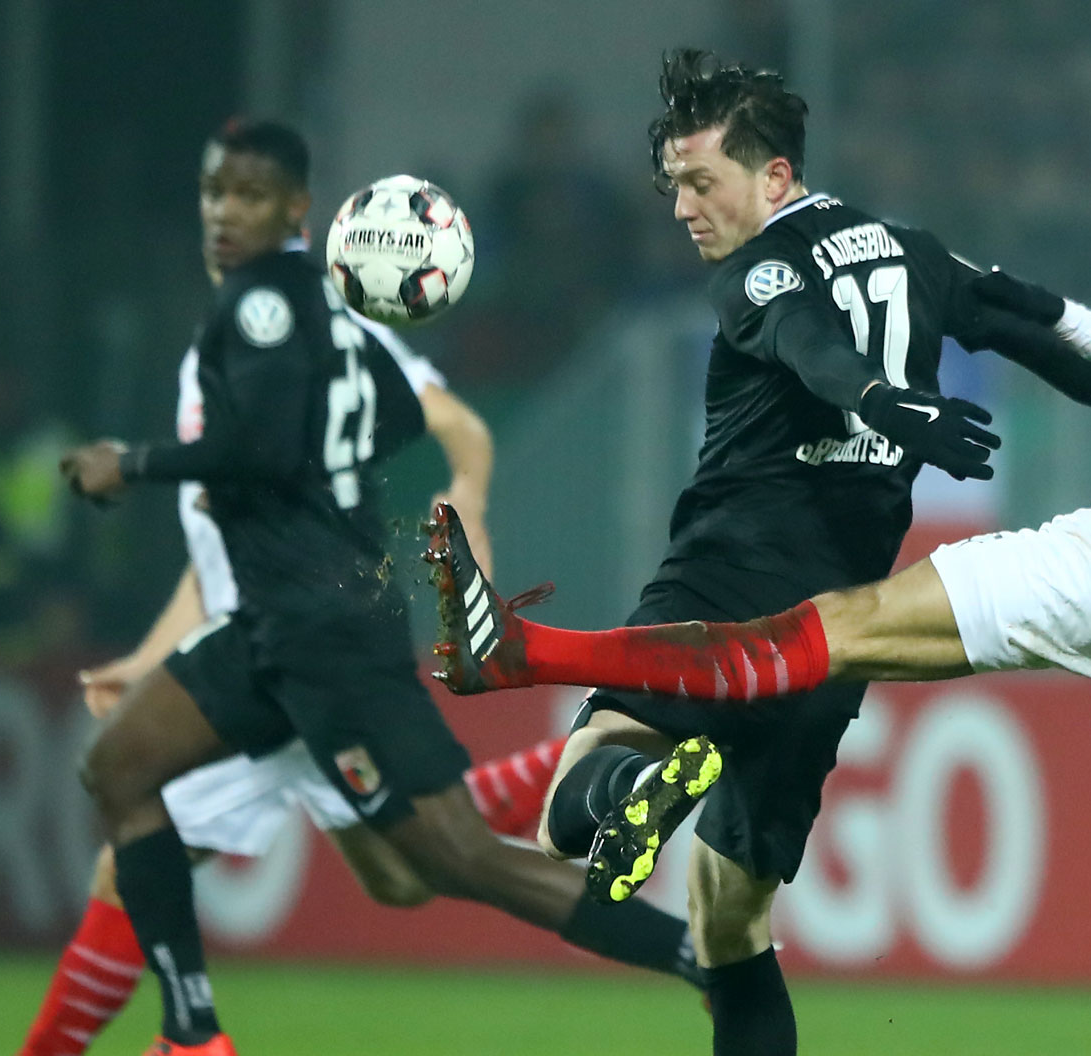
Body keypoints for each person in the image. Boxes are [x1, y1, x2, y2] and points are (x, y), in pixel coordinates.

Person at [428, 57, 1091, 1056]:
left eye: (700, 183)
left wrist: (880, 397)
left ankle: (539, 671)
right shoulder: (914, 252)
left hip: (808, 586)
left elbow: (805, 341)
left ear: (775, 175)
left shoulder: (756, 271)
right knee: (746, 928)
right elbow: (1090, 353)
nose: (684, 207)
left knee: (603, 797)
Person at [58, 119, 702, 1056]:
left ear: (295, 212)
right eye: (214, 194)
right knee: (117, 767)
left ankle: (701, 957)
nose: (224, 214)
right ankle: (193, 1033)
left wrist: (133, 461)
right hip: (269, 629)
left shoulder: (265, 312)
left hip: (324, 637)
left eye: (247, 197)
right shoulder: (337, 331)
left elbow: (262, 453)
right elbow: (385, 424)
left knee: (452, 862)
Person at [15, 563, 565, 1056]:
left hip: (263, 675)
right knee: (401, 877)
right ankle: (571, 759)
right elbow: (206, 569)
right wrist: (150, 661)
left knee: (130, 862)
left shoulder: (235, 455)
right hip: (291, 663)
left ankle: (180, 1038)